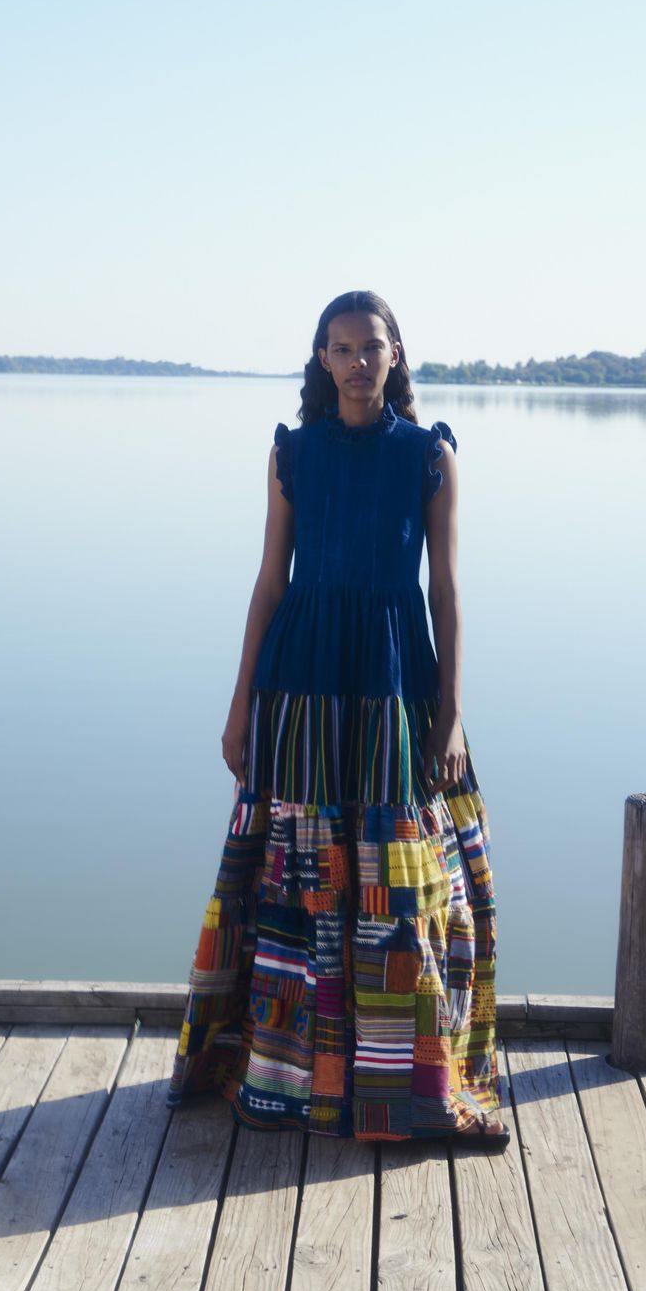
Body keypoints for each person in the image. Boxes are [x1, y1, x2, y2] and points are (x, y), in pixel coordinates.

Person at [166, 289, 509, 1149]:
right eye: (343, 348)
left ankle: (407, 1084)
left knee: (402, 884)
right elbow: (269, 581)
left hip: (396, 680)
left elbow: (446, 590)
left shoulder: (430, 456)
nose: (358, 361)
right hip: (302, 681)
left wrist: (452, 713)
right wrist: (240, 703)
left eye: (372, 346)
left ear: (396, 355)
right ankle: (287, 1077)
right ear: (322, 359)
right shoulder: (294, 454)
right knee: (299, 878)